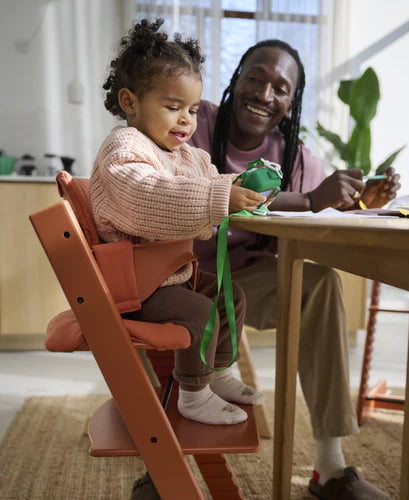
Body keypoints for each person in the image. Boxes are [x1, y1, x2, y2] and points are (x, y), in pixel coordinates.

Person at [189, 39, 400, 499]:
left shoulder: (294, 157)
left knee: (320, 283)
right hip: (180, 279)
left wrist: (361, 203)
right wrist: (307, 199)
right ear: (237, 78)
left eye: (281, 88)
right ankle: (162, 457)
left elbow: (318, 217)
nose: (265, 94)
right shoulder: (195, 121)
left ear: (292, 102)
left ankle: (329, 468)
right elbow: (197, 185)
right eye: (257, 78)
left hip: (244, 284)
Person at [89, 19, 267, 432]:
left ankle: (219, 371)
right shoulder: (125, 147)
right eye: (172, 107)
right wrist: (217, 198)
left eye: (192, 109)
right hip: (133, 284)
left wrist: (239, 186)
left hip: (167, 275)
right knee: (200, 311)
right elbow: (146, 197)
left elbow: (209, 181)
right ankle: (193, 393)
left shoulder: (184, 155)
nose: (186, 120)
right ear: (130, 102)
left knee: (230, 296)